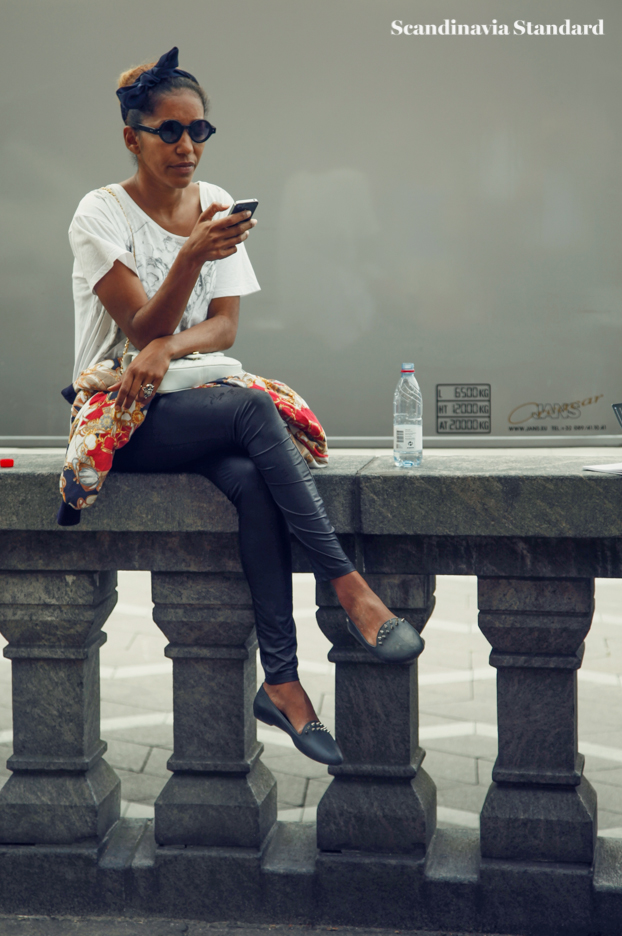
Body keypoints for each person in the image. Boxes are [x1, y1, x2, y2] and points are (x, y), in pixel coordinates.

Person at [67, 47, 424, 766]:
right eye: (169, 131)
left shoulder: (219, 204)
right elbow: (139, 330)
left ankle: (284, 685)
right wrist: (189, 263)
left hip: (196, 401)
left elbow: (224, 330)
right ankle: (350, 588)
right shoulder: (98, 215)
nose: (187, 146)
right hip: (119, 418)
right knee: (253, 412)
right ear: (132, 136)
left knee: (254, 480)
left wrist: (170, 349)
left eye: (199, 131)